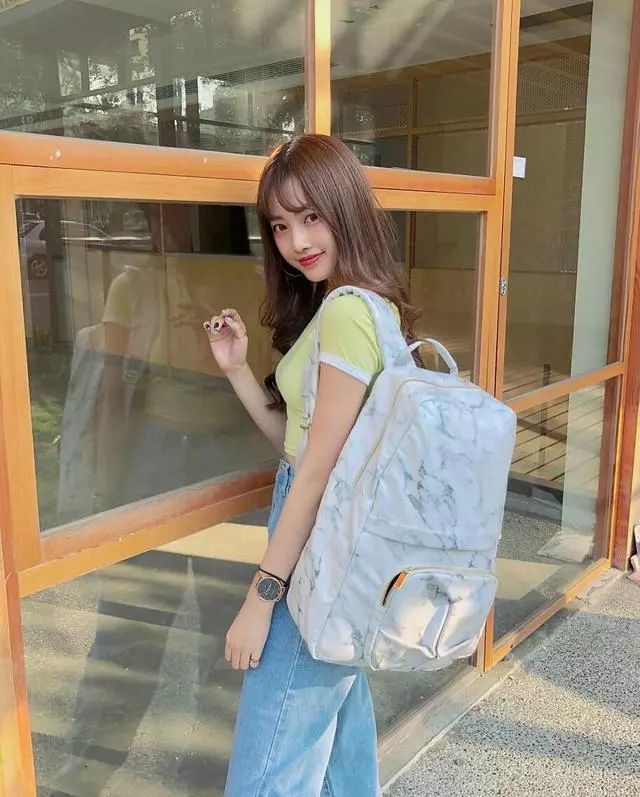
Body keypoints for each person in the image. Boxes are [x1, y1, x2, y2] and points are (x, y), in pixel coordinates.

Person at [204, 134, 418, 797]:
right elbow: (297, 446)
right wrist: (239, 371)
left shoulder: (349, 312)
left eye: (311, 216)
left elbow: (317, 476)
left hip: (313, 557)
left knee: (267, 774)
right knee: (340, 760)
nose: (296, 240)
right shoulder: (353, 305)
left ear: (345, 207)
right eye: (279, 225)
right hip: (325, 550)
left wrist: (260, 598)